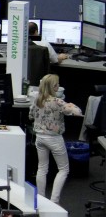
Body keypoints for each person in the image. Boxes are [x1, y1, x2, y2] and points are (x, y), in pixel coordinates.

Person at [29, 74, 82, 203]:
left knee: (42, 168)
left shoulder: (36, 99)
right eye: (57, 84)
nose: (58, 86)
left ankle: (40, 199)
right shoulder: (58, 102)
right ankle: (54, 201)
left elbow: (31, 116)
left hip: (39, 138)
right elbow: (78, 113)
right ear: (54, 87)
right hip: (54, 139)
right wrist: (72, 105)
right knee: (63, 169)